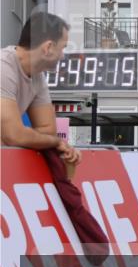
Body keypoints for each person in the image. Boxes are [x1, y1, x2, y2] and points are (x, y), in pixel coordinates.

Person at [1, 13, 81, 173]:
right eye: (63, 48)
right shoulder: (3, 68)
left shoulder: (37, 74)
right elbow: (14, 136)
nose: (63, 56)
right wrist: (55, 142)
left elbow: (48, 130)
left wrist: (25, 135)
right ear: (48, 47)